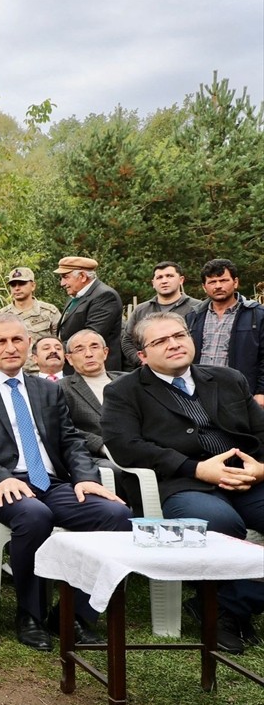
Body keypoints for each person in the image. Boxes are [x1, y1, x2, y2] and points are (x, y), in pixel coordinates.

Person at [0, 313, 132, 651]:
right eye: (1, 341)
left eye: (17, 339)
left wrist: (86, 478)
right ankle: (30, 614)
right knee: (34, 515)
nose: (10, 347)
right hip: (0, 486)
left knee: (116, 515)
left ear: (29, 344)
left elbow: (71, 440)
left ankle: (74, 614)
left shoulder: (48, 390)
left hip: (50, 483)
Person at [103, 312, 264, 653]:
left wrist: (261, 469)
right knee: (220, 524)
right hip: (182, 483)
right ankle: (223, 611)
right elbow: (124, 445)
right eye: (160, 341)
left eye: (179, 335)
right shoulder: (123, 391)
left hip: (247, 477)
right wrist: (195, 468)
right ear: (142, 355)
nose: (174, 344)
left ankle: (231, 604)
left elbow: (261, 430)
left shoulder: (228, 378)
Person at [185, 258, 264, 406]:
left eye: (223, 280)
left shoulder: (256, 314)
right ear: (204, 287)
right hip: (201, 393)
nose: (218, 286)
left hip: (240, 393)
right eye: (212, 282)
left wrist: (262, 391)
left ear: (235, 282)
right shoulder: (193, 316)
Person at [59, 330, 126, 460]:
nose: (89, 354)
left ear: (105, 352)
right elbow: (64, 428)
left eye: (94, 347)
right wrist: (102, 446)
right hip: (97, 456)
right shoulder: (61, 388)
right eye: (79, 350)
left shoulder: (128, 380)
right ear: (69, 359)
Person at [120, 262, 198, 369]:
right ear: (153, 283)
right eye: (159, 277)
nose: (164, 281)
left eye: (169, 276)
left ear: (181, 280)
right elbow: (127, 340)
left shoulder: (197, 308)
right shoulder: (141, 310)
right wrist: (142, 362)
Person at [56, 256, 123, 374]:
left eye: (65, 277)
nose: (62, 283)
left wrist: (54, 350)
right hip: (77, 369)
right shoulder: (75, 296)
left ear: (82, 276)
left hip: (97, 371)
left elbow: (90, 336)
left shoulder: (105, 296)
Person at [0, 266, 61, 375]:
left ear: (33, 286)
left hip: (43, 373)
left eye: (22, 284)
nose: (17, 288)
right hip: (14, 373)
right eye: (13, 285)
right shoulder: (2, 316)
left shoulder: (49, 312)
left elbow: (60, 343)